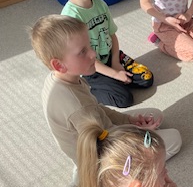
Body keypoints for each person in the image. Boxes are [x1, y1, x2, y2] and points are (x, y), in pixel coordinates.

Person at [29, 14, 182, 169]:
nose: (93, 54)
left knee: (155, 114)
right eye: (82, 51)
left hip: (101, 132)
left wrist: (129, 120)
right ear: (59, 65)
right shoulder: (77, 106)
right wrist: (137, 132)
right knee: (174, 139)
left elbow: (97, 108)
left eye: (89, 46)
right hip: (102, 158)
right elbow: (106, 142)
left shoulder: (63, 78)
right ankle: (113, 175)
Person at [51, 0, 153, 108]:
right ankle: (87, 89)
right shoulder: (71, 17)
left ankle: (113, 78)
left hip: (109, 57)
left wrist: (115, 62)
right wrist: (114, 74)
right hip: (88, 68)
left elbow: (112, 35)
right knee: (124, 99)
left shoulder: (100, 4)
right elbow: (82, 56)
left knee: (146, 79)